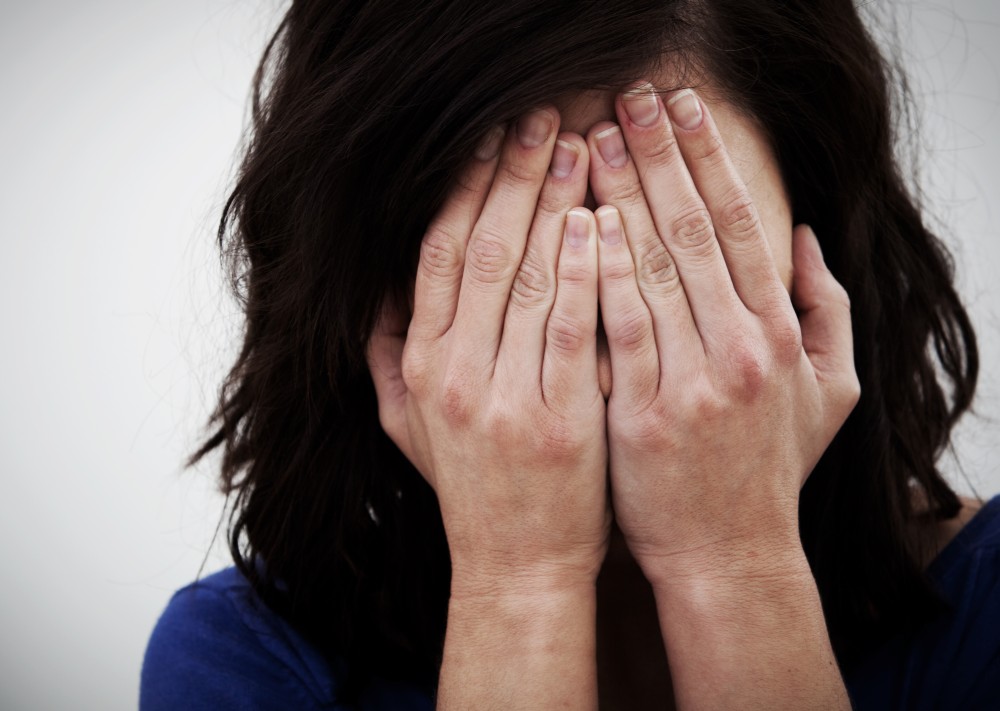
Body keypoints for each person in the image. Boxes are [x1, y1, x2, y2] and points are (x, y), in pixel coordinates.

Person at [141, 0, 1000, 708]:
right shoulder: (243, 661)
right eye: (516, 267)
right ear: (383, 304)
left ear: (824, 264)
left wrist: (737, 566)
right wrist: (517, 582)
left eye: (678, 250)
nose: (607, 345)